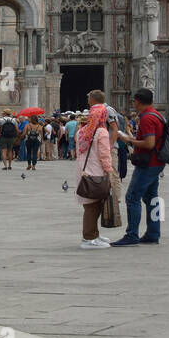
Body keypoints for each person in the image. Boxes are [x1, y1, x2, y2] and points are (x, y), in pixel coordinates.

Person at [111, 88, 167, 247]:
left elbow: (149, 144)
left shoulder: (147, 118)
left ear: (137, 101)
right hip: (156, 163)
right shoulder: (156, 114)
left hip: (148, 164)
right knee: (151, 198)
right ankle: (153, 234)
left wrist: (128, 140)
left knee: (132, 197)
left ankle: (132, 235)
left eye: (134, 101)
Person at [73, 103, 114, 249]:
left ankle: (94, 234)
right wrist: (109, 171)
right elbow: (104, 155)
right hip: (97, 173)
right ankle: (88, 238)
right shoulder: (101, 132)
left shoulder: (82, 131)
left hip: (83, 173)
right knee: (93, 207)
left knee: (91, 206)